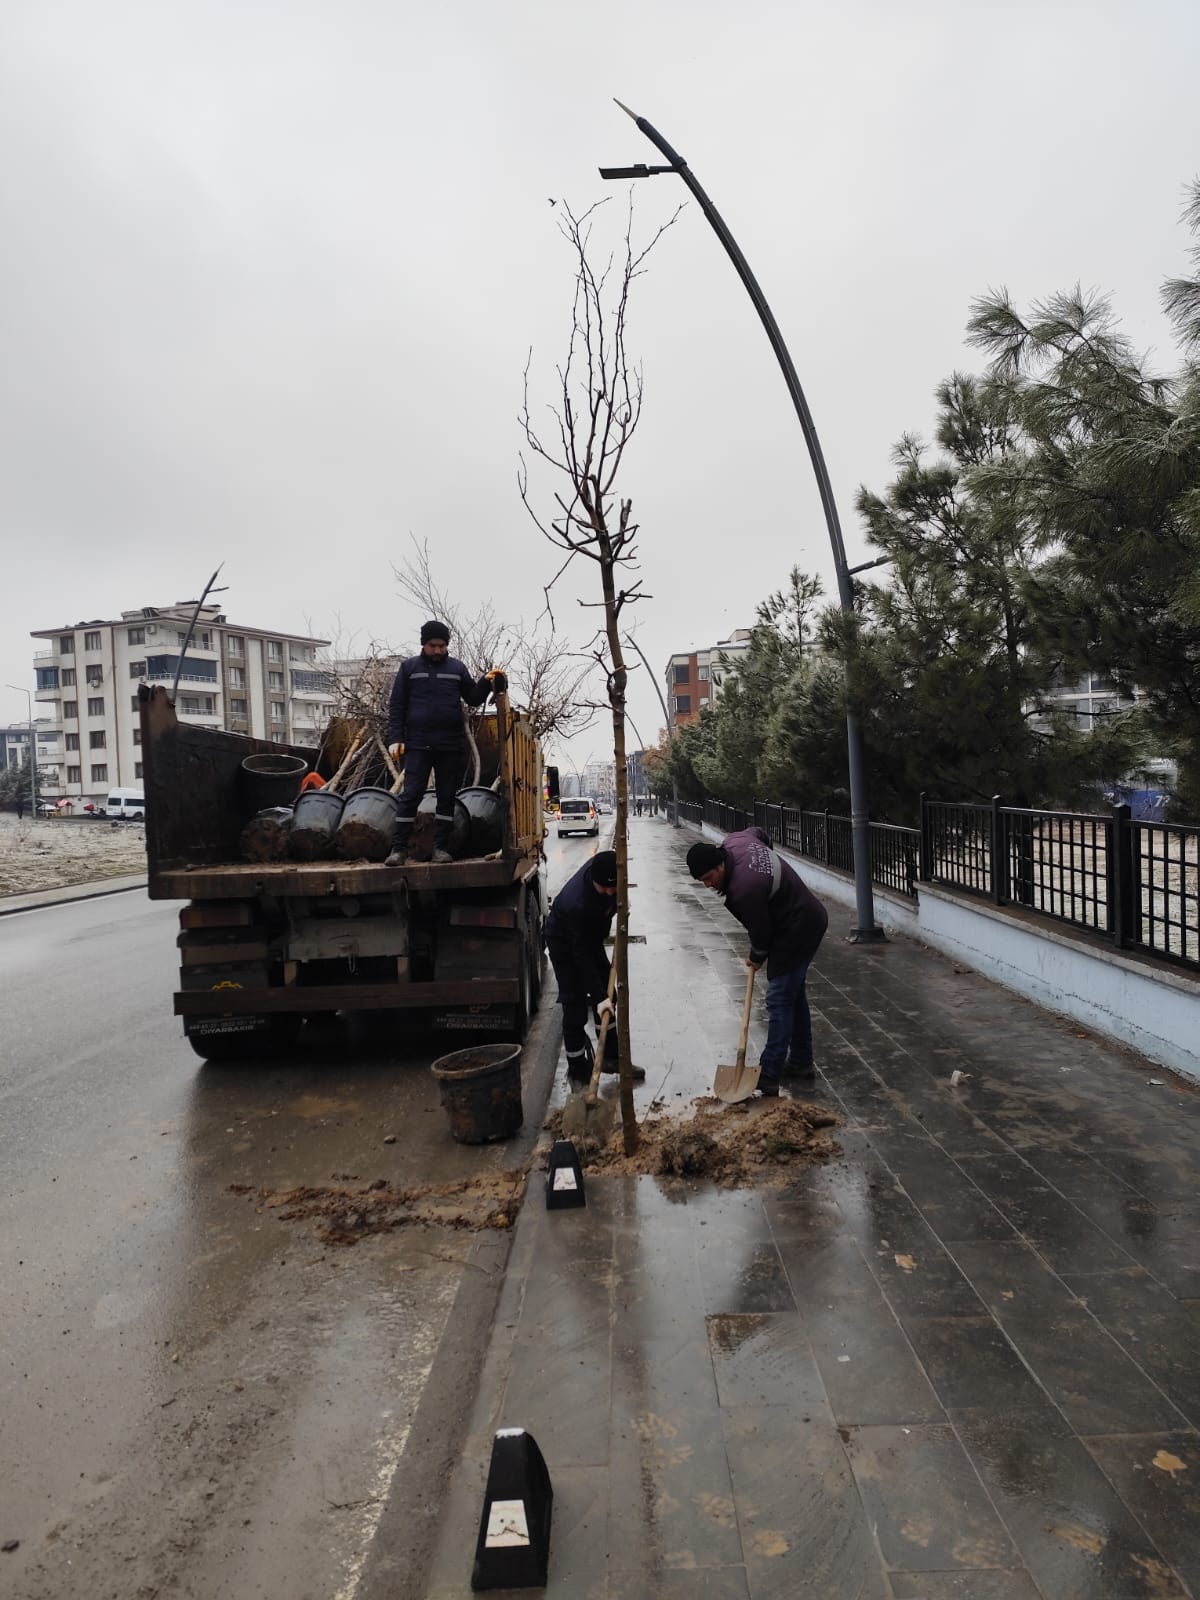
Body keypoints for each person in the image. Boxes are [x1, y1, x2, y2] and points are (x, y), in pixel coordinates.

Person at [687, 828, 828, 1096]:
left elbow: (761, 936)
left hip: (799, 928)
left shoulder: (745, 889)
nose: (708, 885)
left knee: (778, 999)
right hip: (803, 916)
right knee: (792, 994)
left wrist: (755, 957)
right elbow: (760, 834)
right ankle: (800, 1062)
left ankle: (769, 1073)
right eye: (702, 882)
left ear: (720, 864)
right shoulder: (735, 841)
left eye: (709, 878)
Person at [384, 621, 505, 866]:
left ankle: (440, 848)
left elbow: (472, 697)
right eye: (433, 645)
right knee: (411, 795)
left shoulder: (457, 668)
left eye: (442, 645)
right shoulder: (409, 669)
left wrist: (486, 681)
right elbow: (397, 705)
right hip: (418, 744)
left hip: (449, 745)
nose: (438, 650)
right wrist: (396, 737)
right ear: (424, 644)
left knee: (446, 797)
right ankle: (399, 850)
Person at [545, 848, 645, 1083]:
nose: (610, 891)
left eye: (614, 887)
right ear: (593, 883)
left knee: (610, 999)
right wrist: (598, 996)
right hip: (564, 942)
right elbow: (580, 955)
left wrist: (620, 906)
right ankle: (579, 1072)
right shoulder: (576, 904)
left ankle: (610, 1058)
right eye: (605, 888)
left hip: (589, 936)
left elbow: (593, 941)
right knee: (575, 1003)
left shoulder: (608, 868)